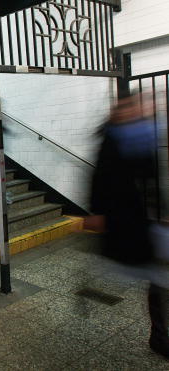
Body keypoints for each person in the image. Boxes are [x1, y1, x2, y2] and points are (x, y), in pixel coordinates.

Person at [89, 92, 169, 359]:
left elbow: (151, 178)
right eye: (134, 105)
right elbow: (99, 178)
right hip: (129, 219)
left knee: (158, 279)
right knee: (154, 277)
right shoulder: (112, 138)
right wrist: (97, 212)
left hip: (147, 219)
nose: (141, 109)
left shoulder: (144, 134)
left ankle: (159, 334)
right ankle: (159, 335)